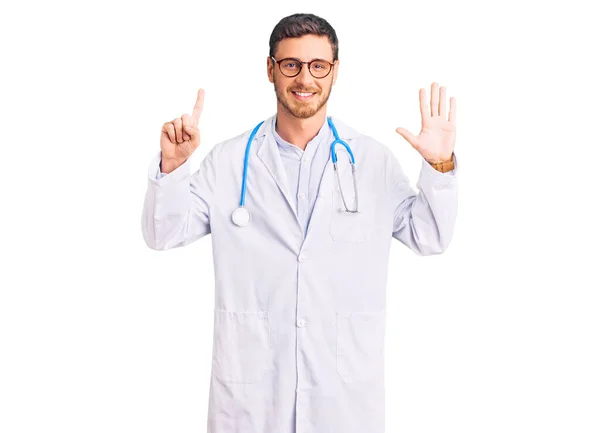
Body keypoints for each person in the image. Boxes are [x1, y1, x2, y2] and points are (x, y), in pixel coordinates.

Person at [141, 12, 458, 433]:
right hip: (253, 401)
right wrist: (172, 167)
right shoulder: (229, 161)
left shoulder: (371, 162)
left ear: (334, 72)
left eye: (317, 66)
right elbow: (162, 234)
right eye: (290, 64)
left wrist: (439, 165)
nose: (304, 79)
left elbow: (430, 237)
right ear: (270, 69)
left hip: (343, 403)